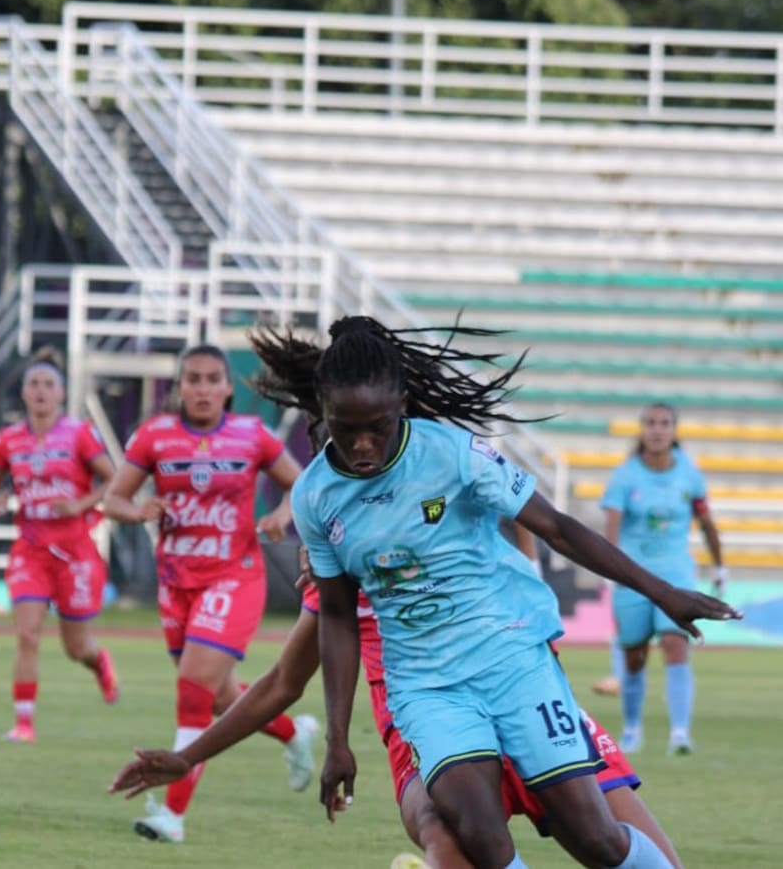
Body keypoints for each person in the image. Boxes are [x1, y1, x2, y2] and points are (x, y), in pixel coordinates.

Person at [243, 317, 738, 868]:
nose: (363, 444)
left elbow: (557, 528)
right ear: (323, 411)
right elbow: (337, 616)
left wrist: (662, 591)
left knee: (594, 836)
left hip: (512, 659)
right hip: (427, 686)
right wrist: (338, 738)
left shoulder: (455, 454)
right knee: (480, 835)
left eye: (377, 427)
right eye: (344, 427)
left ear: (402, 405)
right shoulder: (315, 496)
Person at [108, 553, 686, 869]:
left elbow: (536, 527)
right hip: (425, 733)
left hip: (525, 701)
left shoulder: (454, 504)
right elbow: (282, 682)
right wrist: (188, 757)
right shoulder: (336, 577)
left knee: (620, 847)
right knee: (444, 832)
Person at [102, 342, 318, 844]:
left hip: (234, 578)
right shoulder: (155, 436)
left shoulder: (251, 435)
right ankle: (295, 734)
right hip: (176, 585)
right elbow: (113, 499)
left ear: (227, 388)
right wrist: (138, 511)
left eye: (212, 379)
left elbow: (301, 485)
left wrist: (281, 516)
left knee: (192, 689)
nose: (202, 389)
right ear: (179, 387)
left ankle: (172, 815)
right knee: (220, 699)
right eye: (192, 379)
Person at [0, 346, 119, 744]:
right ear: (24, 392)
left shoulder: (79, 434)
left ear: (61, 393)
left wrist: (79, 504)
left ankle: (98, 661)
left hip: (75, 551)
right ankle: (24, 724)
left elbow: (113, 478)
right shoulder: (9, 440)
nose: (40, 391)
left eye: (48, 384)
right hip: (31, 550)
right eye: (34, 384)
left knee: (76, 647)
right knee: (27, 634)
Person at [601, 403, 726, 756]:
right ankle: (632, 730)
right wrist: (611, 569)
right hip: (633, 575)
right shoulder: (625, 476)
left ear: (674, 430)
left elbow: (706, 522)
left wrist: (719, 566)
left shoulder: (689, 473)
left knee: (675, 643)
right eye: (651, 423)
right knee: (634, 656)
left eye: (664, 423)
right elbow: (611, 527)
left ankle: (680, 733)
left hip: (676, 573)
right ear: (642, 430)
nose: (657, 430)